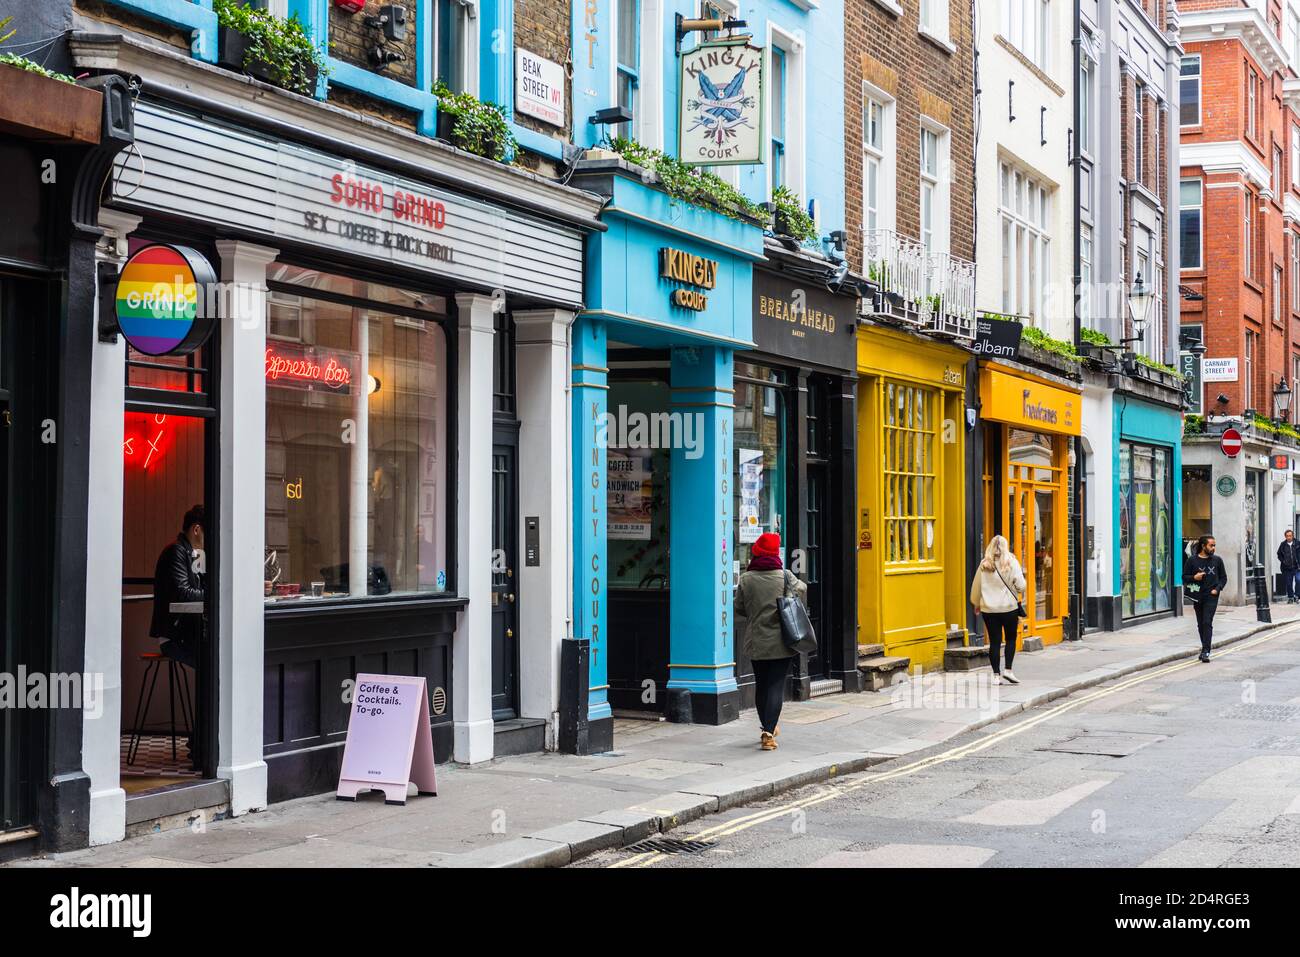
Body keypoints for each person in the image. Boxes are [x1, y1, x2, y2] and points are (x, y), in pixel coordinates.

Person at [734, 532, 805, 752]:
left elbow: (739, 608)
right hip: (781, 642)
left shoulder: (746, 578)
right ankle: (768, 731)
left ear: (756, 552)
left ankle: (767, 726)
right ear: (775, 552)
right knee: (775, 686)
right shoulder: (784, 576)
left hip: (756, 641)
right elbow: (802, 589)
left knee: (762, 685)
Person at [151, 505, 206, 669]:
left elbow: (201, 588)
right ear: (196, 529)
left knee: (221, 651)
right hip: (175, 637)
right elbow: (183, 593)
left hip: (187, 633)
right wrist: (215, 595)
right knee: (215, 657)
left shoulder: (195, 555)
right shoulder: (176, 551)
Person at [970, 535, 1026, 685]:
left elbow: (976, 587)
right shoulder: (1012, 562)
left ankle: (996, 676)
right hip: (1009, 609)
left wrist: (976, 604)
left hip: (989, 610)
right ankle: (1008, 670)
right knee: (1010, 639)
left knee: (994, 642)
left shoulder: (984, 565)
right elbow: (1021, 586)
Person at [1184, 535, 1227, 662]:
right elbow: (1184, 577)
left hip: (1211, 596)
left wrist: (1217, 589)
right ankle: (1205, 647)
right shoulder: (1192, 561)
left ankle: (1206, 651)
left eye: (1214, 545)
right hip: (1197, 596)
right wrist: (1194, 578)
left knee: (1207, 622)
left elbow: (1223, 578)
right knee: (1201, 624)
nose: (1213, 548)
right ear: (1203, 546)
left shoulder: (1217, 560)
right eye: (1211, 545)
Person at [1278, 530, 1300, 604]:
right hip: (1287, 568)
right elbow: (1279, 554)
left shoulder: (1298, 543)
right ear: (1285, 536)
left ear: (1292, 536)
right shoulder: (1283, 545)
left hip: (1297, 567)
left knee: (1298, 580)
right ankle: (1290, 597)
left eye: (1290, 536)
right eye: (1287, 536)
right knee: (1288, 583)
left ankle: (1297, 596)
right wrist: (1283, 561)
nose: (1289, 537)